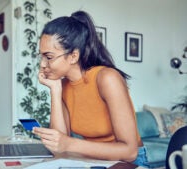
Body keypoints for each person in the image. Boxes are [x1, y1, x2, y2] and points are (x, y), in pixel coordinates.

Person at [32, 10, 148, 167]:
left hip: (127, 163)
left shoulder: (107, 78)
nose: (42, 64)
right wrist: (55, 89)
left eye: (49, 57)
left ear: (73, 56)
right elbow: (60, 149)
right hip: (93, 160)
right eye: (41, 56)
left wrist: (69, 144)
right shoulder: (64, 85)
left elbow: (129, 152)